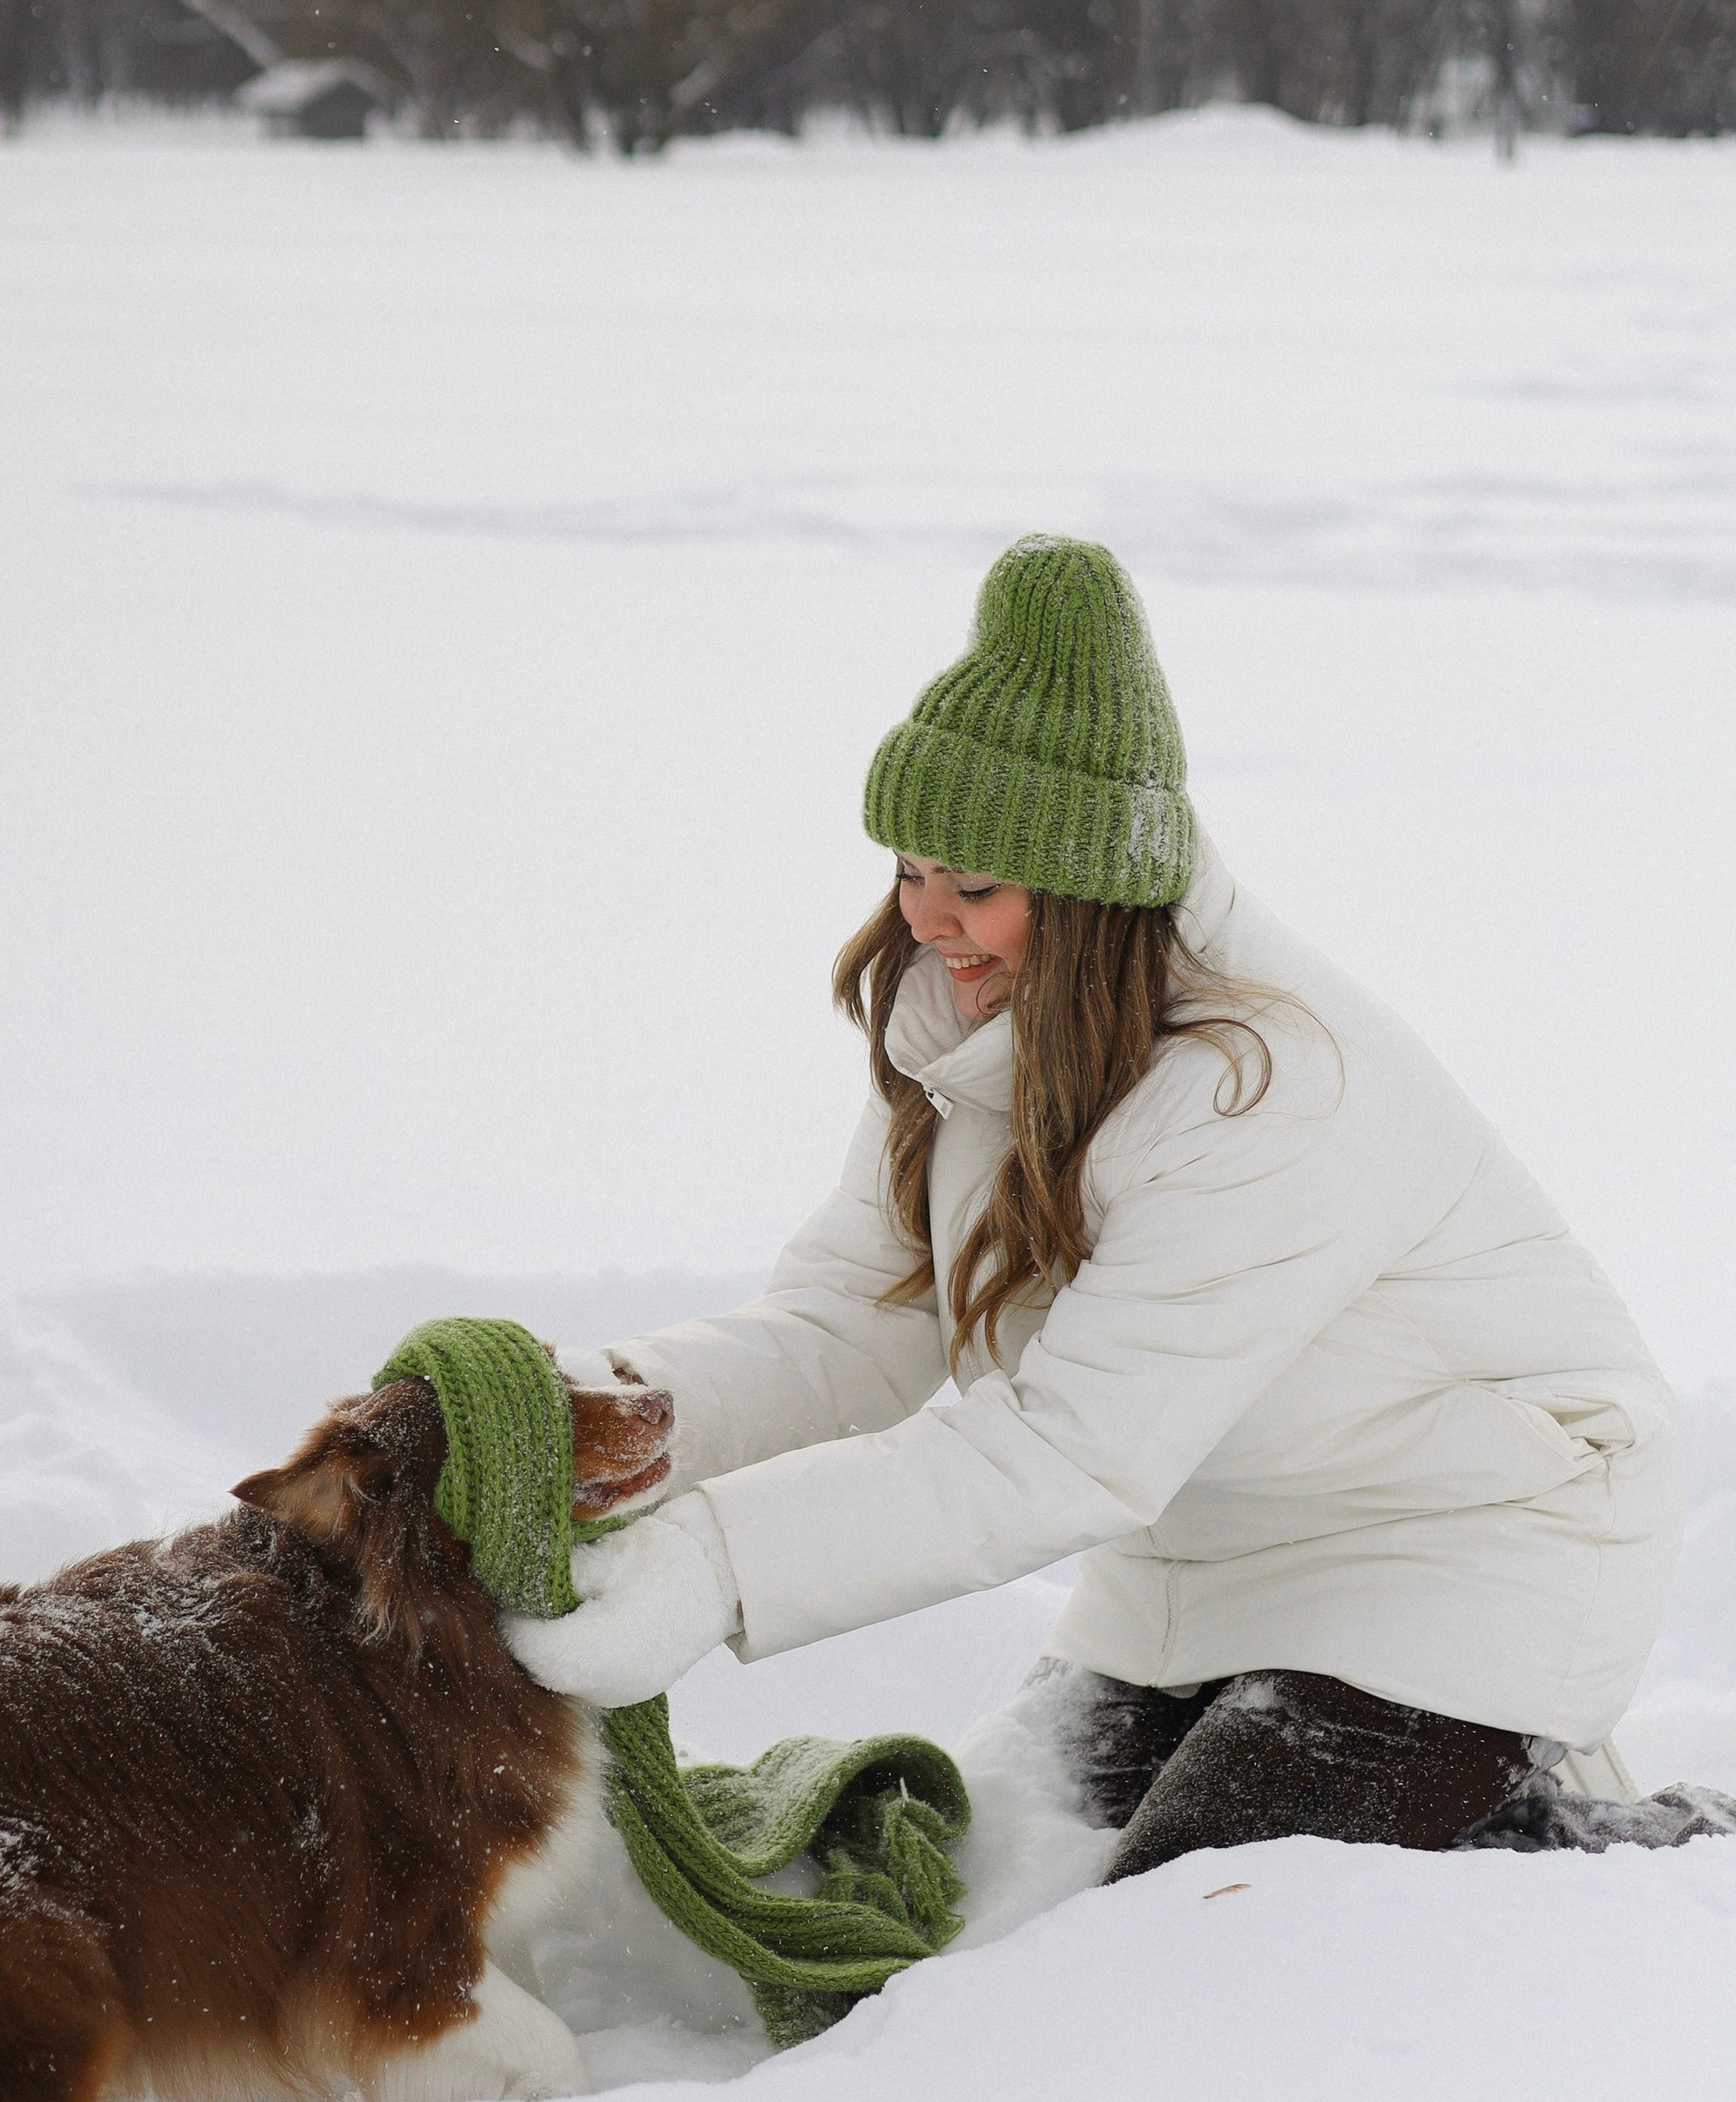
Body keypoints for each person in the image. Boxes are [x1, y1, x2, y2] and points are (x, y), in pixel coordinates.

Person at [504, 533, 1687, 1880]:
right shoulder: (961, 1043)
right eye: (909, 871)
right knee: (987, 1883)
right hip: (1193, 1554)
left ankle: (1610, 1855)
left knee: (1176, 1915)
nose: (929, 921)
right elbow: (851, 1326)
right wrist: (603, 1421)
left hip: (1463, 1553)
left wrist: (716, 1566)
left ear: (1090, 892)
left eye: (976, 887)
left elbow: (1069, 1446)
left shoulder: (1263, 1090)